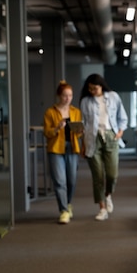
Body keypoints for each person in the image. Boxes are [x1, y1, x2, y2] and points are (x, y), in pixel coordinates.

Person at [79, 73, 128, 221]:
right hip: (92, 139)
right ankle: (102, 208)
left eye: (95, 88)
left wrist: (120, 131)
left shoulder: (113, 96)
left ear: (101, 86)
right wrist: (83, 144)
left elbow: (122, 116)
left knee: (112, 174)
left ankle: (108, 195)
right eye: (90, 89)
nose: (92, 91)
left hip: (111, 136)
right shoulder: (85, 101)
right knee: (98, 176)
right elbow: (83, 124)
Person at [43, 81, 83, 224]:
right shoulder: (50, 112)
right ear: (59, 96)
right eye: (65, 95)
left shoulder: (76, 112)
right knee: (60, 181)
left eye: (70, 95)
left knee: (71, 180)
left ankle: (68, 203)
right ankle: (64, 210)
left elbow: (77, 135)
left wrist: (79, 131)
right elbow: (47, 133)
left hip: (72, 148)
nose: (68, 98)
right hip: (56, 149)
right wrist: (57, 128)